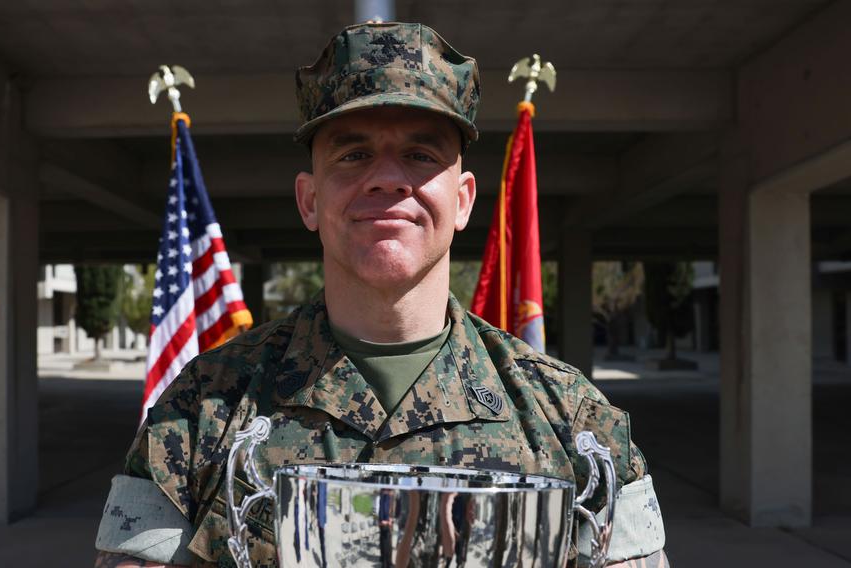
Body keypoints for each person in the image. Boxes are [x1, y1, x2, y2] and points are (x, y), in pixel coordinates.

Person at [94, 21, 668, 568]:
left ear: (464, 200)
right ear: (308, 200)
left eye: (421, 155)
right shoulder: (201, 414)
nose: (387, 177)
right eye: (353, 154)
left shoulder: (575, 423)